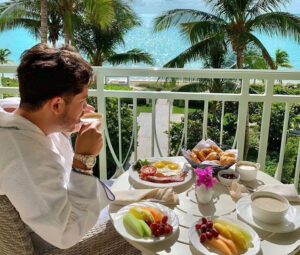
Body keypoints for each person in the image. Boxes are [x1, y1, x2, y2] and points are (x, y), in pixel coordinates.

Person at [0, 44, 114, 249]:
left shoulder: (15, 111)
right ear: (56, 105)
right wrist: (84, 159)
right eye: (82, 101)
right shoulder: (26, 158)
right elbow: (66, 235)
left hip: (46, 213)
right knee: (137, 219)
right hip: (52, 238)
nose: (85, 109)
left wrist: (65, 127)